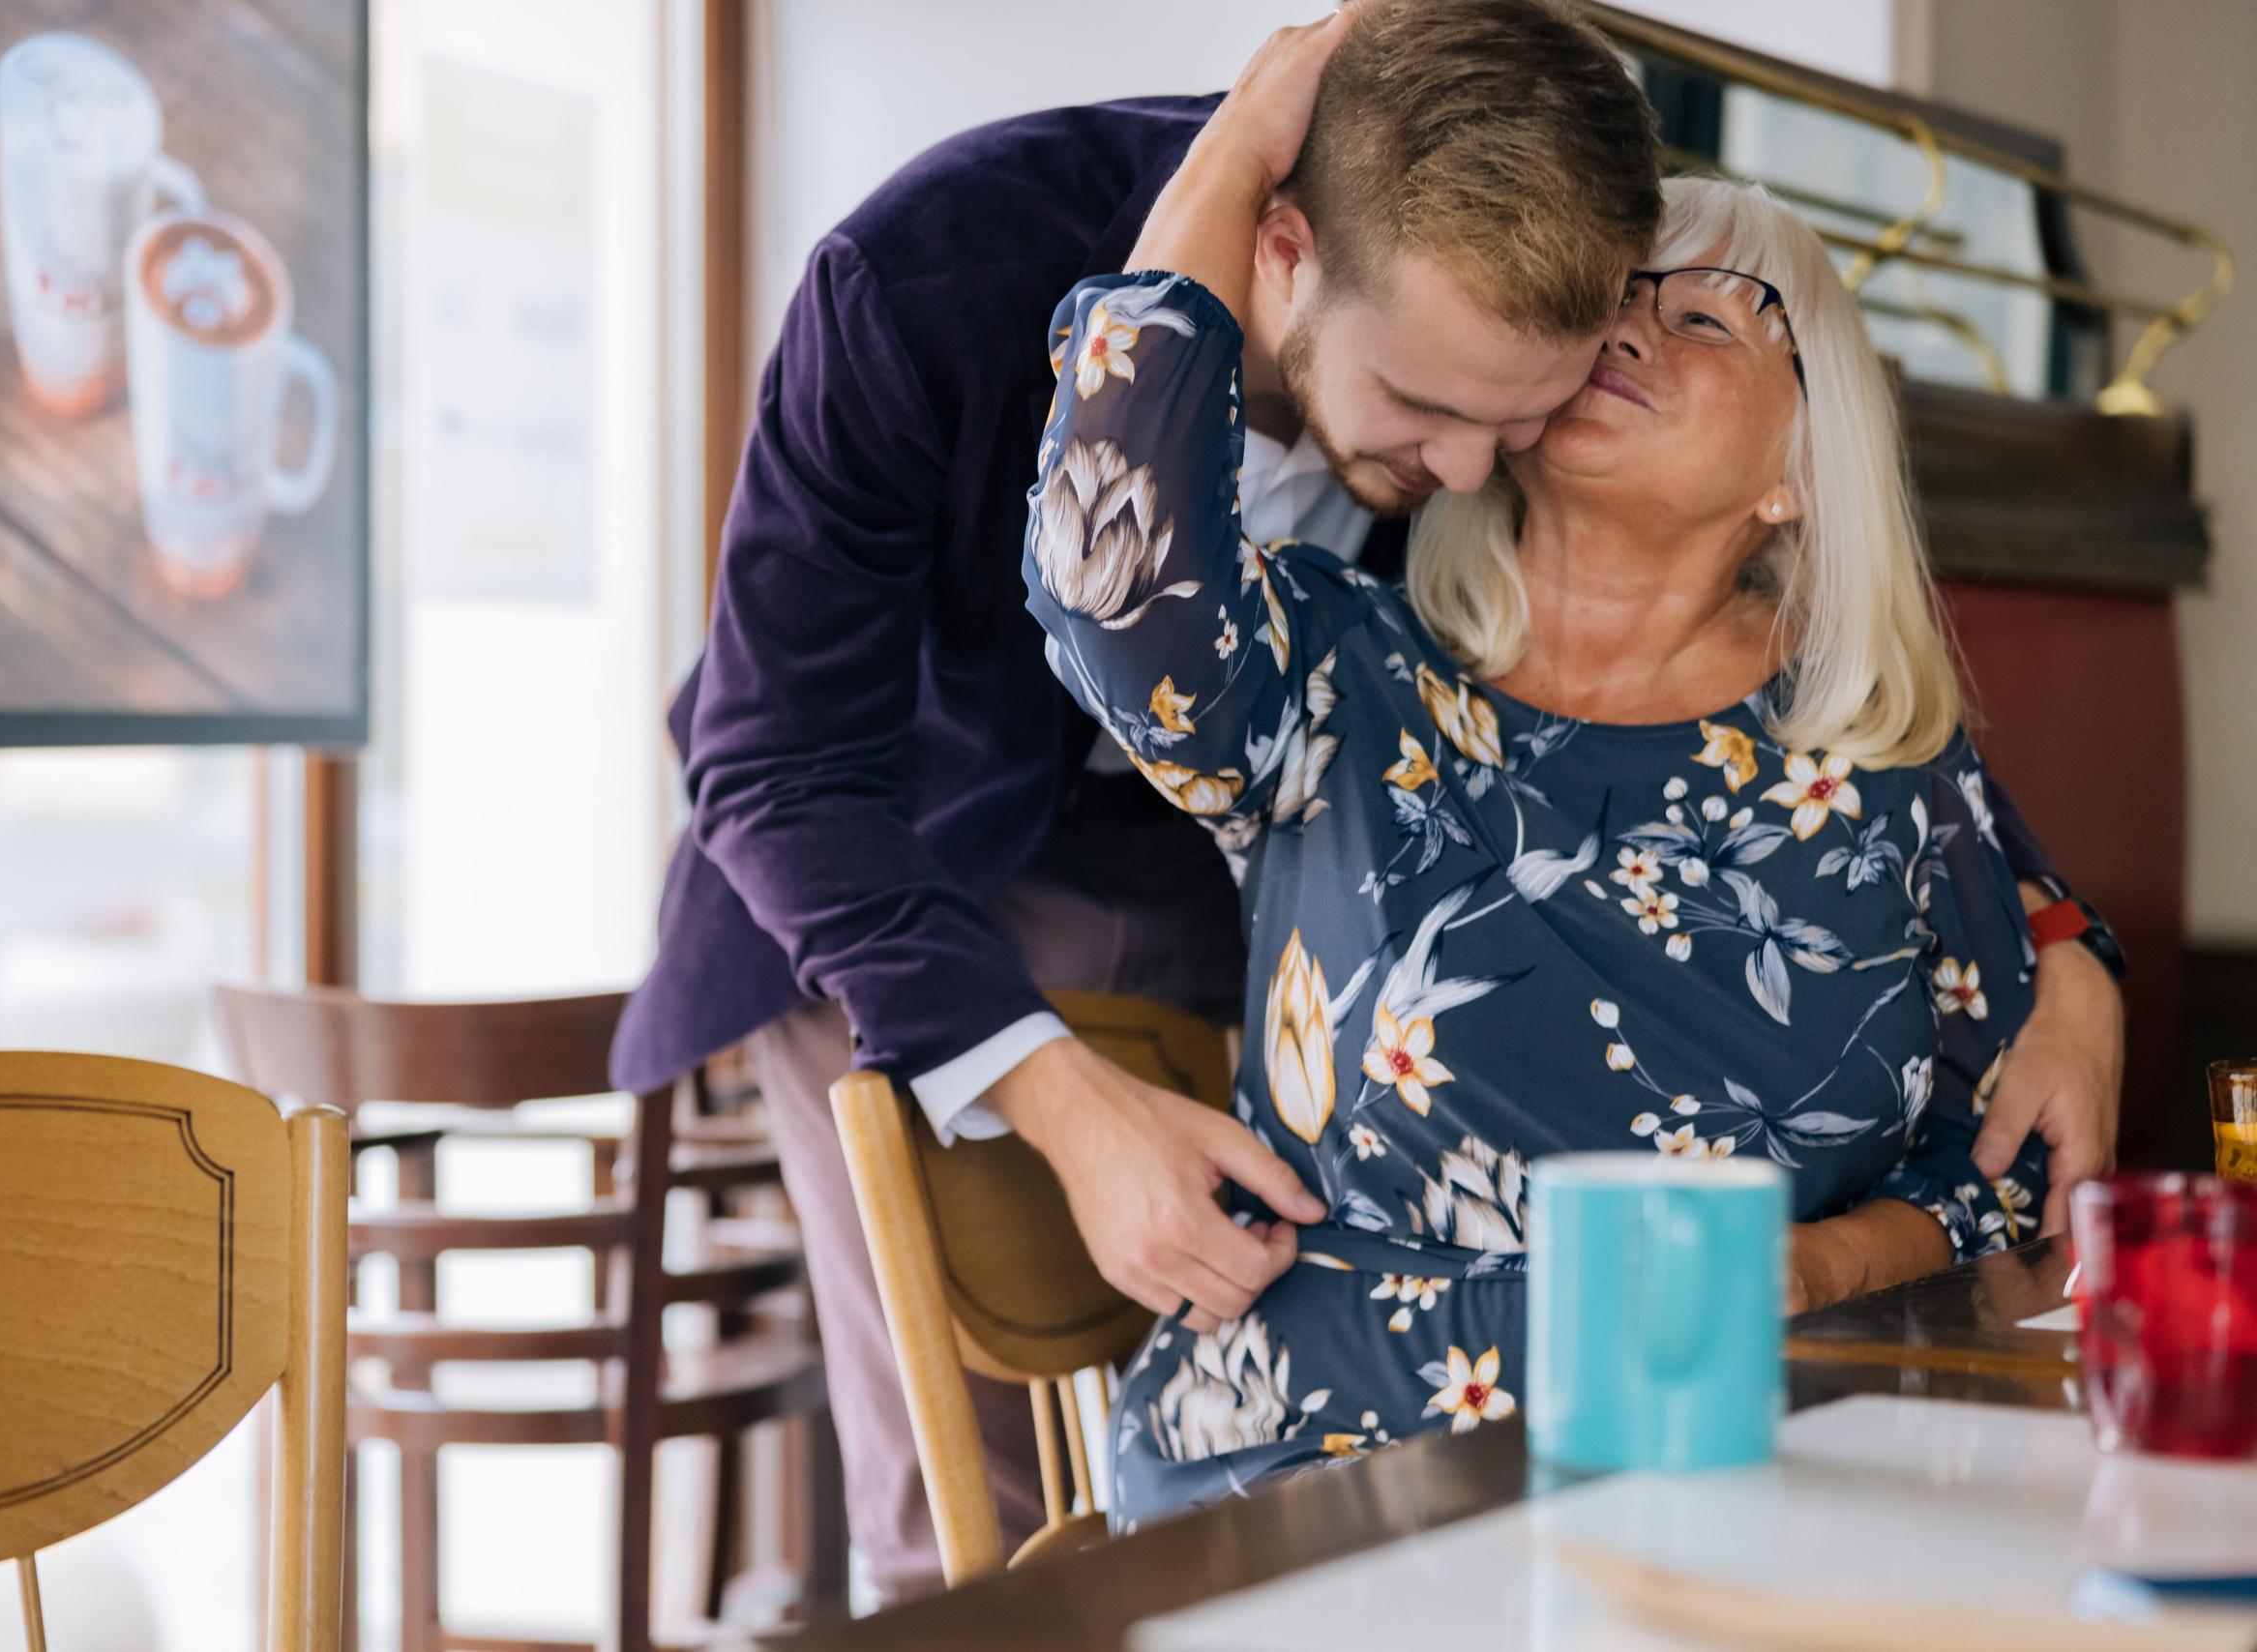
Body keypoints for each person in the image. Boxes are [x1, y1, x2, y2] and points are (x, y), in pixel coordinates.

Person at [613, 0, 2123, 1595]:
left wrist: (2056, 937)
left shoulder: (1512, 290)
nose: (1472, 468)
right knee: (962, 1524)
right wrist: (1055, 1095)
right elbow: (790, 753)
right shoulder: (942, 278)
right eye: (1430, 409)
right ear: (1280, 253)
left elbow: (1876, 761)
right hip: (891, 847)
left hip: (1243, 886)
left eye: (1521, 410)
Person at [1023, 21, 2103, 1527]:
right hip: (1320, 1475)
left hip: (1718, 1476)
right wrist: (1247, 145)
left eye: (1710, 320)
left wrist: (1815, 1271)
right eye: (1614, 306)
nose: (1632, 334)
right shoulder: (1338, 671)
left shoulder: (1887, 771)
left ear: (1806, 460)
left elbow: (1998, 1184)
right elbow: (1108, 570)